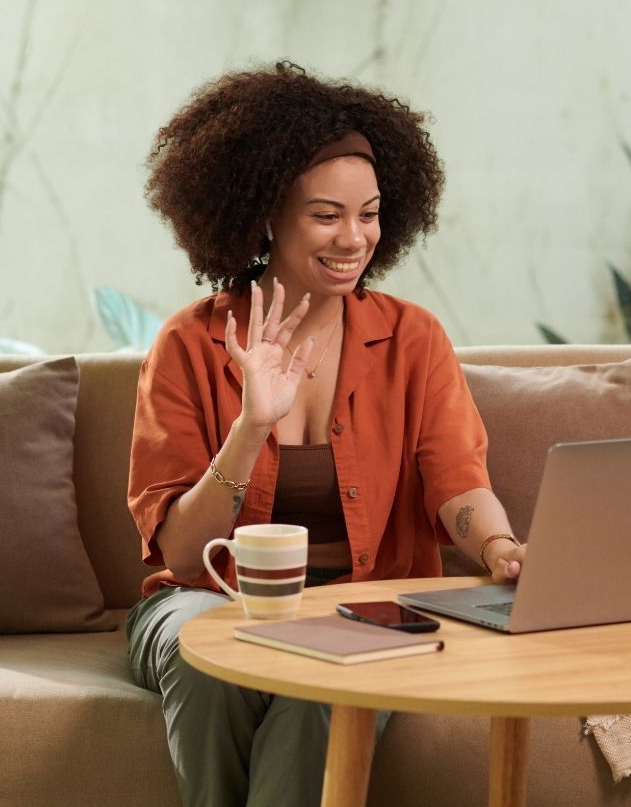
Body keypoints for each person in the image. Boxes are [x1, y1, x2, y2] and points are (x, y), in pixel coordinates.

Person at [125, 62, 529, 807]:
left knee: (327, 679)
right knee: (206, 657)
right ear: (262, 216)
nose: (354, 238)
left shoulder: (413, 339)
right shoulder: (187, 345)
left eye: (369, 214)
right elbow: (183, 556)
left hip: (365, 606)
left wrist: (501, 550)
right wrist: (251, 427)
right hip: (205, 600)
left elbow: (457, 481)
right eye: (325, 215)